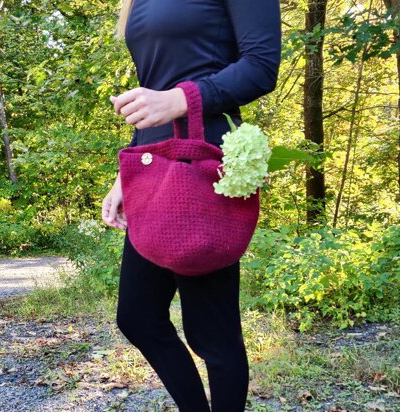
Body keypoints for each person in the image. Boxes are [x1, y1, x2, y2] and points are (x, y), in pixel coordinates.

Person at [101, 0, 282, 410]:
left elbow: (261, 65)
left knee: (211, 334)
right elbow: (154, 90)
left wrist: (182, 99)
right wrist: (123, 176)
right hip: (153, 166)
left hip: (201, 165)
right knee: (138, 316)